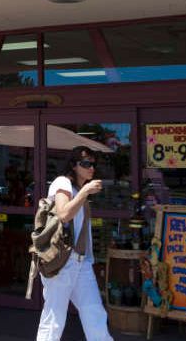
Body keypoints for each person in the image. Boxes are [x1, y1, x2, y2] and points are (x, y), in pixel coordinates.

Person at [37, 146, 112, 341]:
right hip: (62, 261)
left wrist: (83, 192)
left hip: (81, 262)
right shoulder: (62, 182)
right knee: (54, 317)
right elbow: (63, 214)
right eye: (86, 163)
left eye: (93, 164)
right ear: (73, 165)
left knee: (95, 313)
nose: (91, 168)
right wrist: (85, 191)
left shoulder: (79, 190)